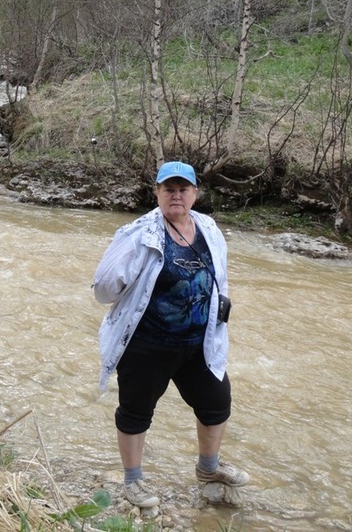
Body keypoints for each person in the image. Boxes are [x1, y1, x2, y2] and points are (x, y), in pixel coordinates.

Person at [92, 160, 249, 509]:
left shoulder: (208, 228)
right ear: (157, 193)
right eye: (169, 189)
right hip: (146, 344)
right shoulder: (138, 234)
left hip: (199, 343)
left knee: (216, 403)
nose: (176, 195)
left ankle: (208, 468)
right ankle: (133, 481)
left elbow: (220, 277)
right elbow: (103, 287)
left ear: (195, 193)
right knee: (135, 412)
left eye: (183, 189)